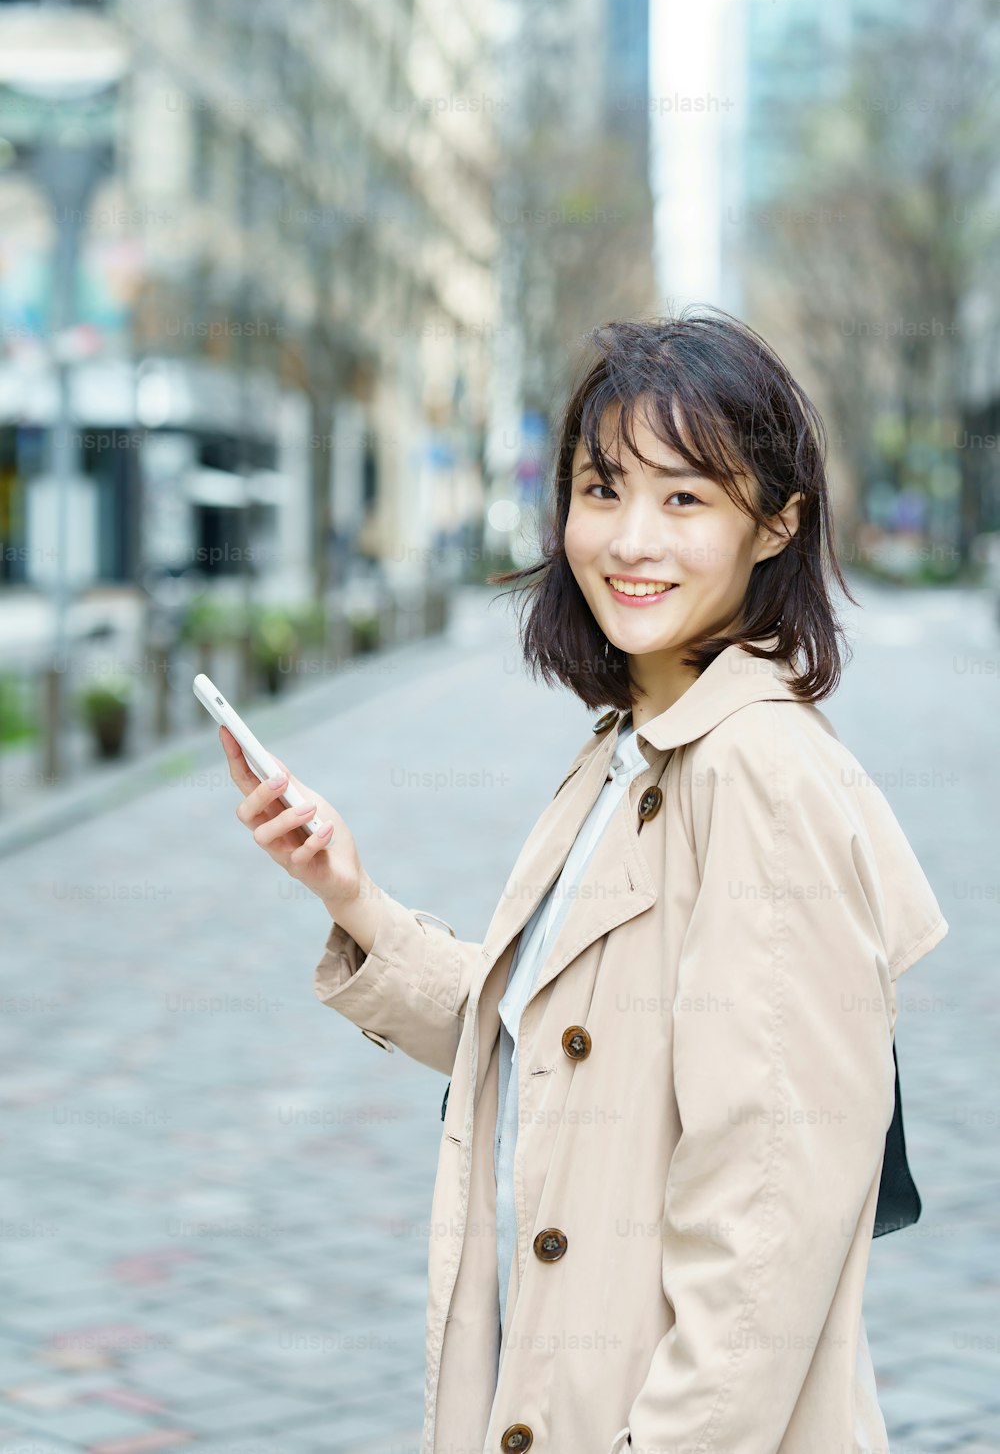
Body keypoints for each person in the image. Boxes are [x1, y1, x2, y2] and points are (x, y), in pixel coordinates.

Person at [220, 309, 949, 1454]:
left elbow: (769, 1211)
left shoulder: (755, 772)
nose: (629, 540)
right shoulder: (638, 742)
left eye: (686, 498)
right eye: (602, 489)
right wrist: (349, 894)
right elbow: (553, 1040)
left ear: (775, 524)